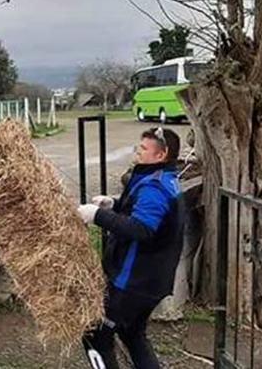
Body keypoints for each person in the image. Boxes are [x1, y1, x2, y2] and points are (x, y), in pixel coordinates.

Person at [77, 127, 184, 369]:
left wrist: (97, 216)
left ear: (161, 155)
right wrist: (113, 204)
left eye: (144, 148)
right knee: (132, 333)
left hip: (134, 282)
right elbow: (142, 212)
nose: (138, 152)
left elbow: (141, 229)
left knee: (95, 335)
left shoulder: (155, 188)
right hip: (150, 281)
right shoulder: (162, 179)